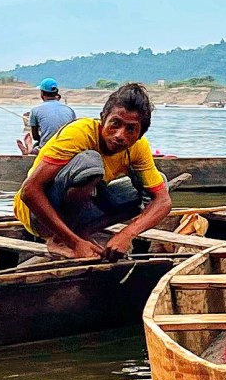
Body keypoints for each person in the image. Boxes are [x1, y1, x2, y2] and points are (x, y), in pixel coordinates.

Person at [18, 82, 174, 260]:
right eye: (115, 123)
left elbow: (163, 201)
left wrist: (127, 234)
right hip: (36, 216)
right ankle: (61, 240)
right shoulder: (80, 133)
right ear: (103, 118)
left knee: (158, 183)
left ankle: (81, 232)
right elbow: (29, 190)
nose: (119, 135)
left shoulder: (139, 148)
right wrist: (73, 243)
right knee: (90, 163)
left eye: (130, 129)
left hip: (78, 213)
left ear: (140, 134)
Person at [20, 79, 80, 157]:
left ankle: (32, 150)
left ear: (42, 93)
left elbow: (35, 137)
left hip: (48, 148)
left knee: (37, 145)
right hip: (66, 147)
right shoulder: (70, 110)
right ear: (57, 92)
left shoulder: (35, 110)